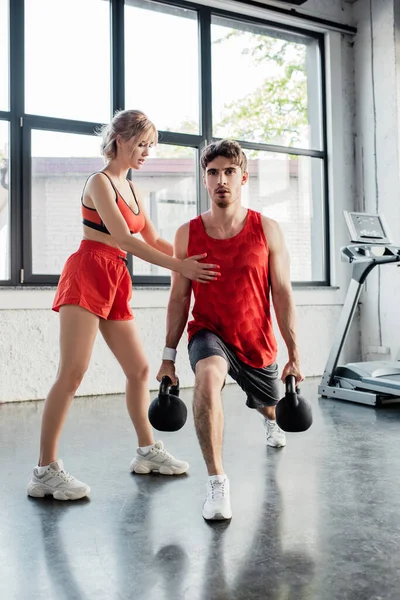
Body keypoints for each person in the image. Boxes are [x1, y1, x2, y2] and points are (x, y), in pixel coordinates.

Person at [27, 110, 220, 501]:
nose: (147, 152)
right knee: (73, 373)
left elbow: (153, 237)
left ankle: (147, 451)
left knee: (139, 368)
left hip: (114, 276)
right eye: (142, 143)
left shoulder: (132, 189)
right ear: (119, 139)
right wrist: (177, 266)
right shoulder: (99, 182)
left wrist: (198, 258)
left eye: (151, 145)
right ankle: (44, 471)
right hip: (88, 270)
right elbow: (126, 239)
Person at [156, 139, 304, 521]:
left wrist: (294, 354)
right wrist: (168, 358)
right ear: (204, 180)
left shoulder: (267, 229)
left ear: (243, 177)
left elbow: (283, 294)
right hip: (209, 332)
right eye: (212, 172)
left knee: (270, 405)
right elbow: (178, 299)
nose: (221, 179)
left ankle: (269, 420)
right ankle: (217, 483)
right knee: (206, 379)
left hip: (256, 340)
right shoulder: (186, 234)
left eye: (229, 172)